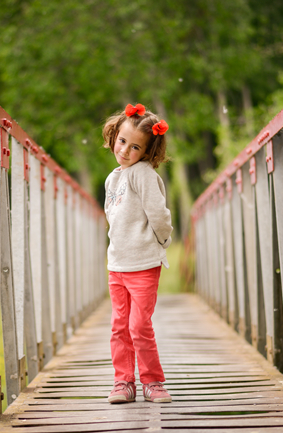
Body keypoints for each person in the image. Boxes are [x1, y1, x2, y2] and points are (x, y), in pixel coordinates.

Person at [103, 103, 173, 404]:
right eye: (122, 141)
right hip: (118, 265)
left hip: (143, 264)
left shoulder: (142, 174)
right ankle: (123, 382)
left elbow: (158, 214)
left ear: (146, 153)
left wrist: (162, 241)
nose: (125, 151)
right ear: (113, 136)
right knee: (119, 326)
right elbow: (113, 216)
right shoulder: (112, 178)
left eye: (135, 147)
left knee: (138, 325)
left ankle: (152, 381)